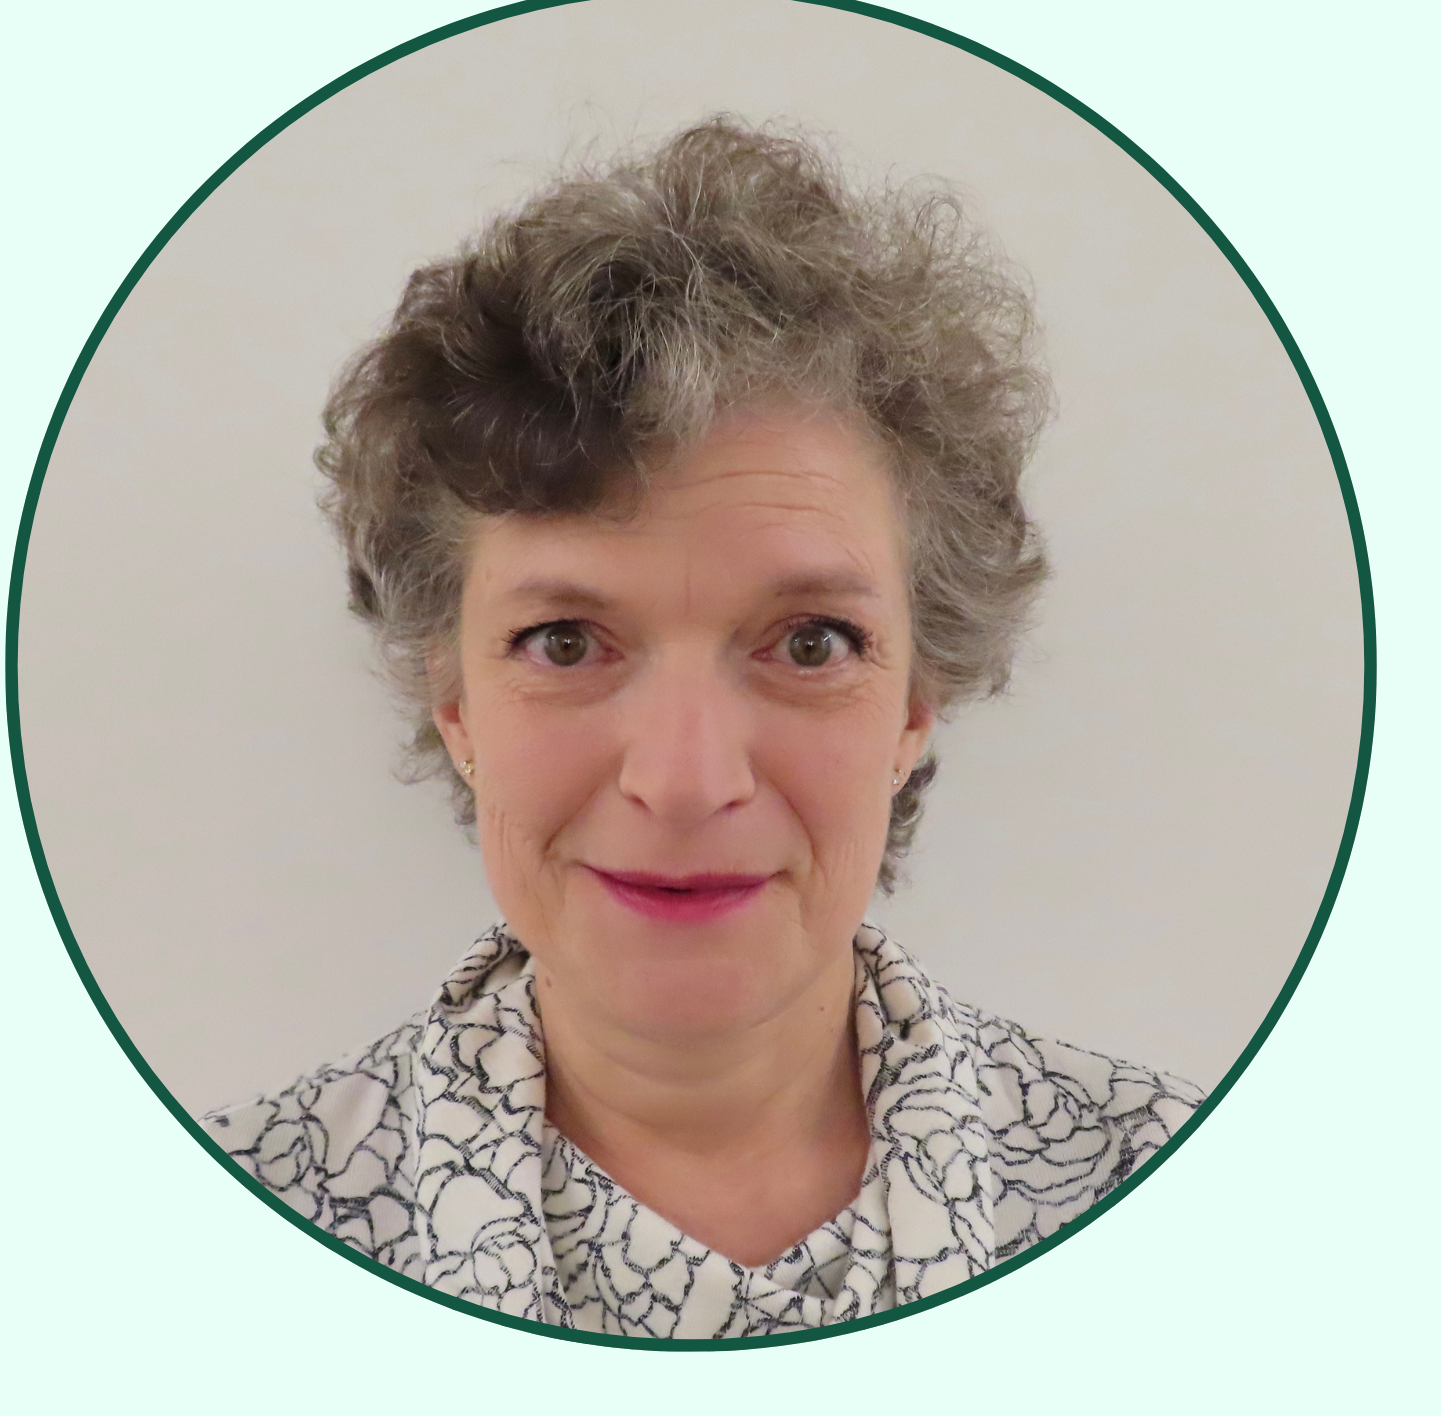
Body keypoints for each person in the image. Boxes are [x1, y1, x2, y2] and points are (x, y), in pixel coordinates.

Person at [201, 118, 1203, 1338]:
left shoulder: (1184, 1197)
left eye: (810, 643)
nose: (684, 782)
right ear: (454, 706)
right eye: (565, 642)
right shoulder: (212, 1235)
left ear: (915, 707)